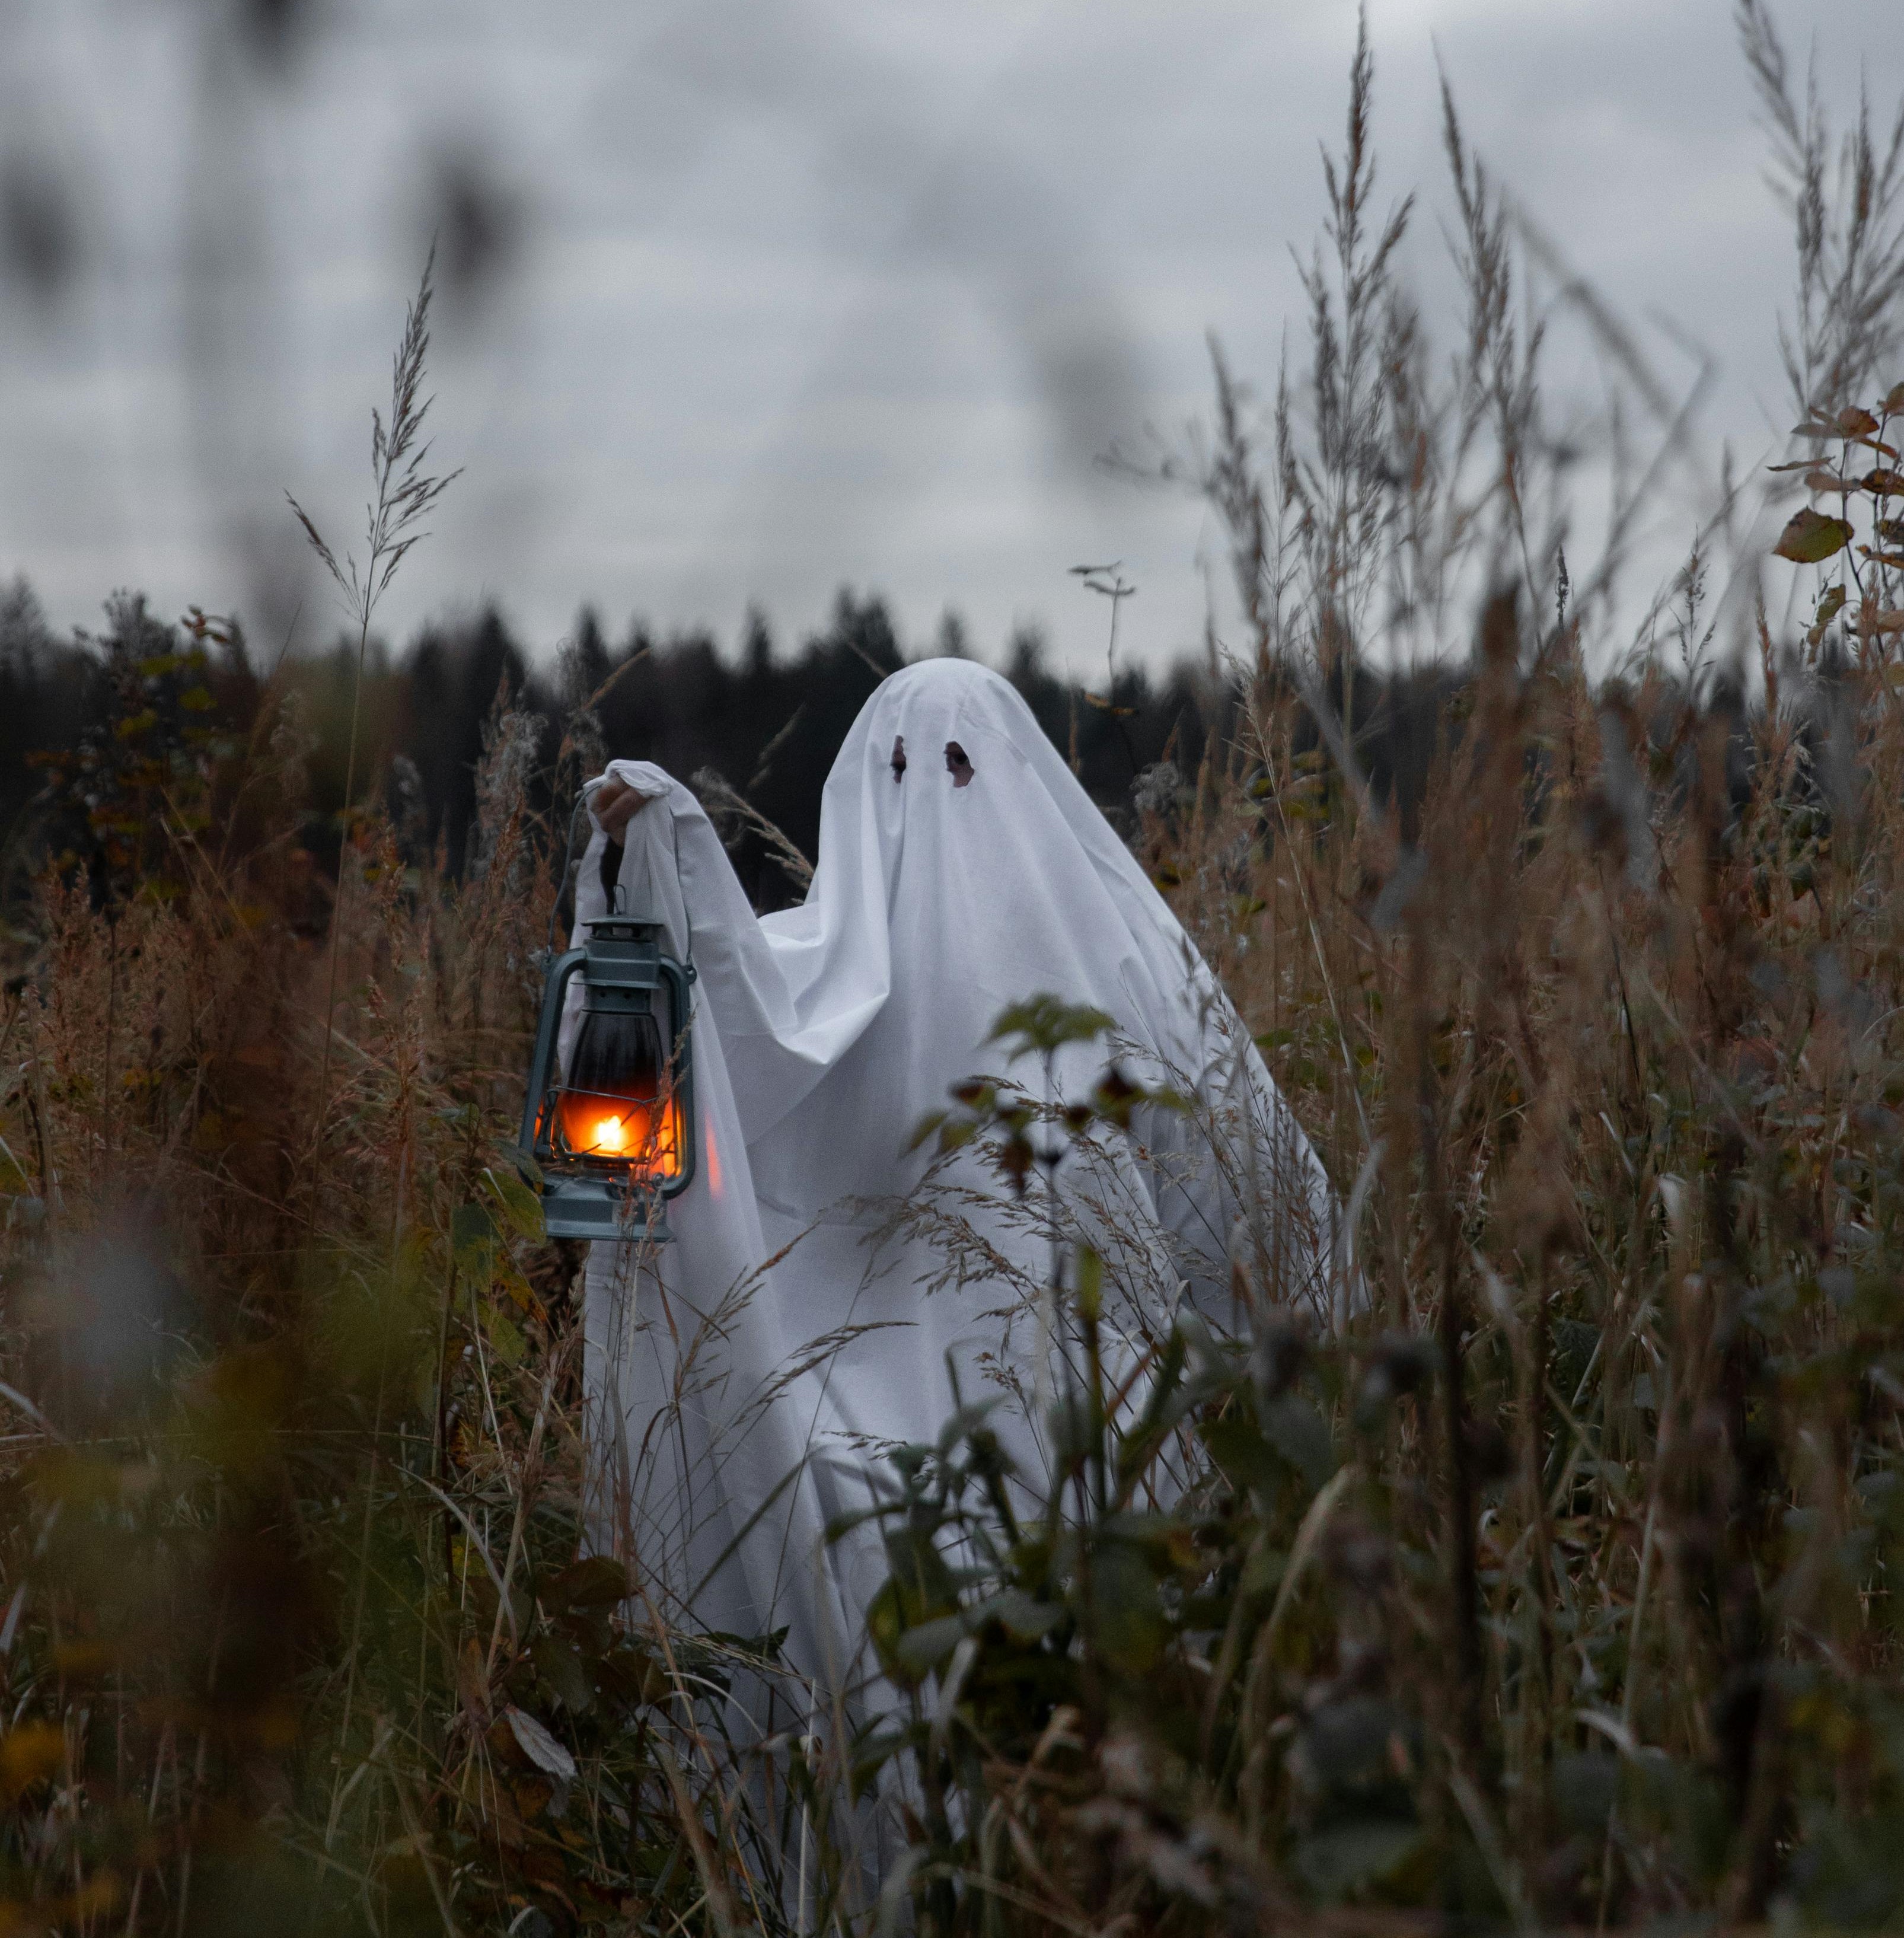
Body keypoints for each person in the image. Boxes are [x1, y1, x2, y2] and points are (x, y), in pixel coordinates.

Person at [565, 656, 1336, 1721]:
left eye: (962, 765)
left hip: (1095, 1454)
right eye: (895, 770)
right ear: (854, 792)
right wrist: (657, 858)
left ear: (1019, 779)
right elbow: (733, 1015)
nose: (928, 799)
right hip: (864, 1458)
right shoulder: (826, 983)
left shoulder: (1114, 974)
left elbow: (1245, 1189)